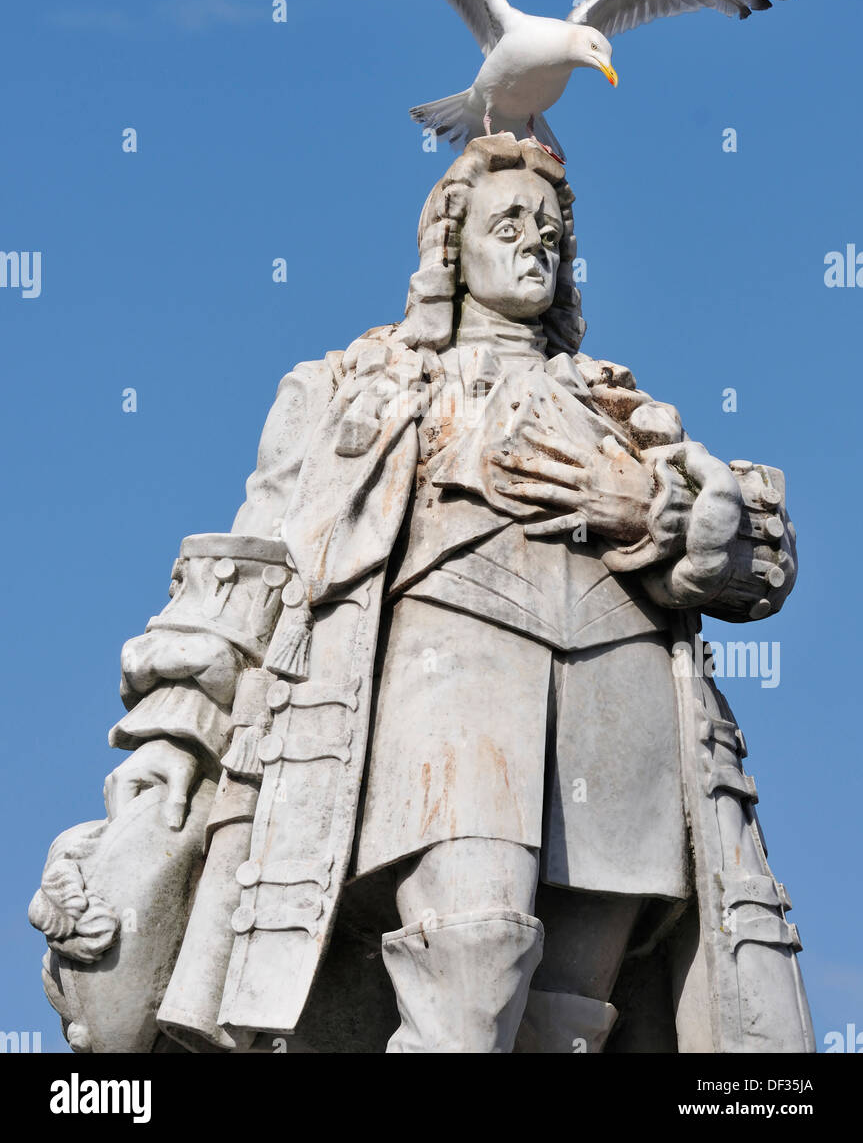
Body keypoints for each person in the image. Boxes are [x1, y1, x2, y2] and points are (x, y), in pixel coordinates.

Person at [31, 135, 813, 1054]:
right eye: (509, 223)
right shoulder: (351, 386)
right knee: (470, 956)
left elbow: (760, 566)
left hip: (620, 693)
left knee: (565, 1021)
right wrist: (172, 737)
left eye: (552, 232)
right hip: (446, 680)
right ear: (452, 248)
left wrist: (654, 507)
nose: (536, 245)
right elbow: (253, 564)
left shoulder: (627, 414)